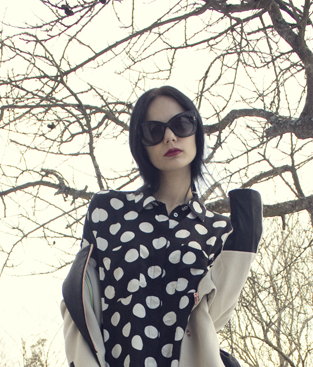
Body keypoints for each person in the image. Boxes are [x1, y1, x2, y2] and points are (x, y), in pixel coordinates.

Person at [61, 86, 262, 367]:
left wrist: (247, 233)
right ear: (140, 143)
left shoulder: (218, 231)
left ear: (197, 131)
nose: (170, 137)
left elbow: (212, 318)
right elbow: (80, 304)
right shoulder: (107, 211)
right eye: (154, 131)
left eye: (181, 124)